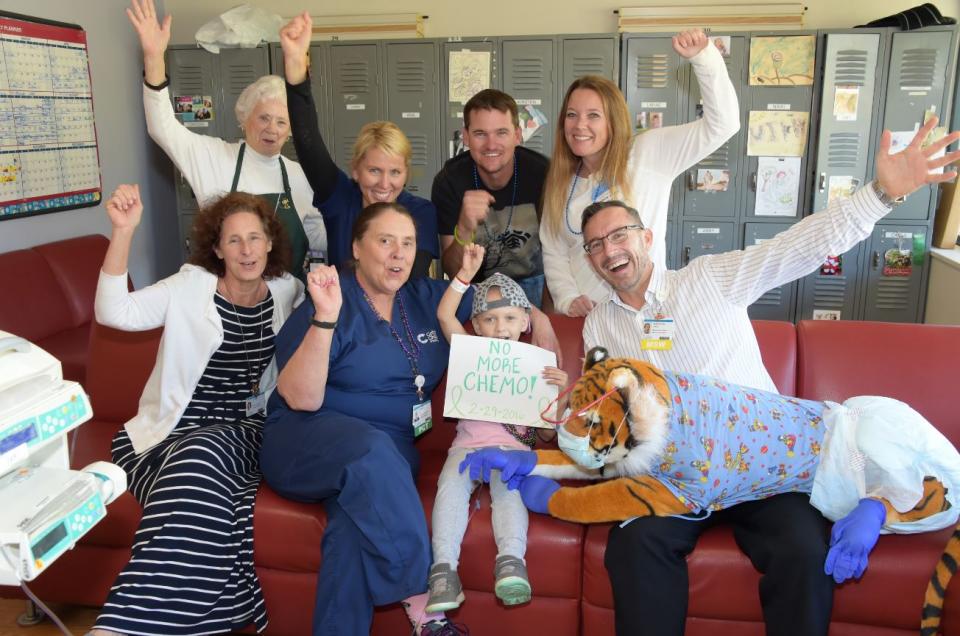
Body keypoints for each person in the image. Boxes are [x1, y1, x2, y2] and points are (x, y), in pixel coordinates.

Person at [572, 117, 960, 635]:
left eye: (619, 235)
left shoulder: (708, 279)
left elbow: (795, 248)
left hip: (764, 468)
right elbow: (605, 413)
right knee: (633, 546)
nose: (609, 251)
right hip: (677, 480)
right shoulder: (599, 323)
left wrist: (882, 194)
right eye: (595, 245)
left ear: (646, 236)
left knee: (804, 550)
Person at [259, 200, 559, 635]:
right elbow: (301, 399)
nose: (399, 254)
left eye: (408, 243)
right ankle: (425, 604)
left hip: (389, 458)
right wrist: (325, 318)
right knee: (372, 449)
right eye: (385, 242)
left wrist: (540, 317)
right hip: (306, 442)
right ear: (357, 248)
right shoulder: (329, 299)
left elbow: (498, 299)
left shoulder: (426, 298)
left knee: (352, 532)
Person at [89, 186, 303, 635]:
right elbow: (114, 312)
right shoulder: (189, 288)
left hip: (244, 434)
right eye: (233, 240)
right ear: (216, 249)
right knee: (195, 479)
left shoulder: (287, 292)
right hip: (165, 439)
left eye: (255, 237)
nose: (247, 250)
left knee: (204, 453)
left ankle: (124, 626)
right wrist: (122, 233)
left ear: (270, 242)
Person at [539, 29, 740, 317]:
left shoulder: (648, 153)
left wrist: (704, 59)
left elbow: (724, 125)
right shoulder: (561, 182)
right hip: (590, 318)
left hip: (646, 313)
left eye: (593, 115)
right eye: (572, 115)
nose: (579, 125)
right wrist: (567, 298)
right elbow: (554, 250)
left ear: (613, 121)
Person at [127, 0, 325, 283]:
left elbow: (319, 236)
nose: (272, 129)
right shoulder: (214, 156)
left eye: (282, 122)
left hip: (286, 302)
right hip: (224, 300)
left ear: (291, 131)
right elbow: (162, 127)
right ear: (244, 118)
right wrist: (153, 57)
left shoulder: (300, 175)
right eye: (263, 118)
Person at [426, 244, 568, 614]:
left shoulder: (538, 365)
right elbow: (444, 315)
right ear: (475, 326)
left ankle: (511, 562)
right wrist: (463, 276)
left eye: (508, 318)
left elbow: (549, 437)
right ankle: (443, 569)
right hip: (467, 449)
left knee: (509, 492)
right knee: (450, 487)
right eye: (489, 320)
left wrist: (559, 396)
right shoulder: (470, 350)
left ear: (525, 322)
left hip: (512, 454)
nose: (499, 328)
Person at [280, 12, 439, 278]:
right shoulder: (342, 199)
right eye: (374, 170)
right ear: (355, 170)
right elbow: (309, 144)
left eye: (395, 172)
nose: (384, 183)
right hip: (344, 315)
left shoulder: (420, 212)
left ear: (406, 173)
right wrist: (296, 69)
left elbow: (411, 280)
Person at [433, 89, 550, 308]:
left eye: (501, 133)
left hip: (535, 285)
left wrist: (544, 318)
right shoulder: (449, 181)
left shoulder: (543, 174)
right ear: (465, 137)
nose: (491, 144)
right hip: (476, 288)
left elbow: (558, 258)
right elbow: (452, 270)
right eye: (480, 134)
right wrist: (465, 229)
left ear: (517, 135)